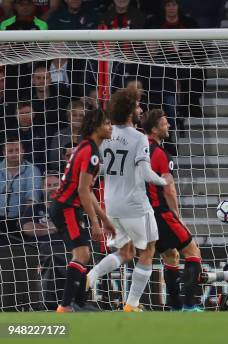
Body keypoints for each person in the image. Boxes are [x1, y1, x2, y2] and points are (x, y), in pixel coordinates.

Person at [85, 88, 168, 312]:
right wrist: (164, 181)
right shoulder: (139, 137)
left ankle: (91, 276)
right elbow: (145, 173)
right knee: (148, 250)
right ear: (130, 111)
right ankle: (131, 305)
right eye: (138, 106)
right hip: (135, 203)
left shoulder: (106, 135)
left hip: (111, 204)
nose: (141, 109)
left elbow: (98, 169)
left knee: (126, 252)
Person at [49, 109, 114, 312]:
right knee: (82, 254)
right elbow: (83, 190)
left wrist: (105, 219)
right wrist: (96, 222)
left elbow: (88, 191)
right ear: (96, 126)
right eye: (107, 124)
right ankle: (66, 306)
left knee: (83, 254)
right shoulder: (91, 152)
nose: (110, 127)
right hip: (67, 206)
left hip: (68, 206)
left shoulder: (86, 147)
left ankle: (79, 303)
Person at [140, 109, 203, 312]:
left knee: (170, 255)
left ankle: (175, 306)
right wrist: (177, 216)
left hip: (144, 214)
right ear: (154, 129)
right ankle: (190, 305)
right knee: (193, 251)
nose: (168, 126)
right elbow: (169, 188)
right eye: (164, 123)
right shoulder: (159, 153)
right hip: (161, 212)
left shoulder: (139, 151)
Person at [0, 137, 43, 234]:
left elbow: (32, 199)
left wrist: (24, 220)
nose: (15, 154)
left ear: (23, 151)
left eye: (17, 150)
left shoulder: (32, 170)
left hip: (20, 219)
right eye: (10, 151)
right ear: (4, 153)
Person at [20, 172, 61, 242]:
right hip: (37, 248)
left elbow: (78, 227)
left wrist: (47, 227)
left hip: (64, 248)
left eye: (56, 185)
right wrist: (58, 228)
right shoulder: (33, 209)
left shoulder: (70, 208)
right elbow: (28, 229)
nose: (52, 188)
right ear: (42, 188)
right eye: (48, 185)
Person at [47, 100, 85, 173]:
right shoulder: (59, 135)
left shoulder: (89, 135)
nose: (78, 118)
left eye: (81, 115)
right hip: (63, 173)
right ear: (68, 118)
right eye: (74, 115)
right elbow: (54, 162)